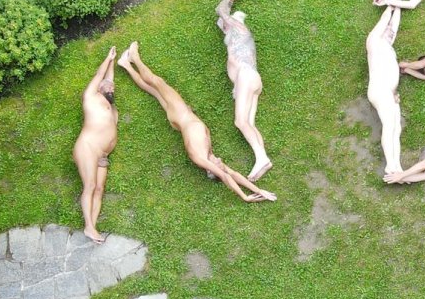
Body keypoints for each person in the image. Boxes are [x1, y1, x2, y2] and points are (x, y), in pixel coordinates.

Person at [117, 42, 276, 202]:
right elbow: (233, 175)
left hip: (181, 114)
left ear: (211, 170)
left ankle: (135, 58)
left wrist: (245, 197)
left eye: (219, 165)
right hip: (181, 119)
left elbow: (226, 177)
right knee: (154, 91)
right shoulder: (209, 156)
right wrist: (258, 190)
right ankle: (126, 64)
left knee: (157, 82)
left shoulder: (200, 158)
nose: (221, 161)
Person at [215, 0, 272, 181]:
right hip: (249, 80)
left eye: (224, 25)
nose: (222, 26)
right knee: (249, 123)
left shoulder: (239, 29)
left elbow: (220, 10)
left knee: (240, 121)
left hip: (246, 77)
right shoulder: (235, 38)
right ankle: (262, 160)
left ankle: (262, 158)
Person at [73, 46, 119, 243]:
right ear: (99, 87)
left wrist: (113, 63)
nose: (111, 87)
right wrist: (108, 58)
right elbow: (102, 76)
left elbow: (109, 79)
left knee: (99, 189)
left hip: (103, 155)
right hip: (88, 147)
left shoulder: (110, 107)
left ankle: (92, 227)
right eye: (107, 86)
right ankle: (89, 226)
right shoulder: (91, 97)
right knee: (90, 185)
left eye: (113, 88)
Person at [367, 0, 405, 174]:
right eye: (387, 32)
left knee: (396, 128)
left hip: (388, 92)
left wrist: (398, 7)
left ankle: (397, 166)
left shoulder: (387, 45)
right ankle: (390, 165)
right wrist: (390, 7)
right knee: (390, 126)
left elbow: (393, 28)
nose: (391, 33)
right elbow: (384, 23)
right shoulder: (374, 41)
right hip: (380, 91)